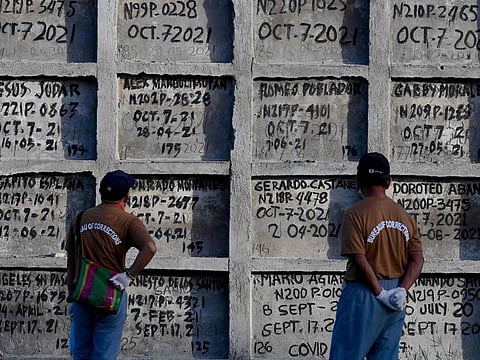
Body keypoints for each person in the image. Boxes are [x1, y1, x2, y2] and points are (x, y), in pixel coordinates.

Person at [329, 152, 424, 360]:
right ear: (388, 182)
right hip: (396, 298)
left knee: (346, 354)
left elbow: (359, 258)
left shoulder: (355, 214)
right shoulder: (405, 217)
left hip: (364, 293)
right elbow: (417, 259)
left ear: (359, 181)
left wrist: (379, 293)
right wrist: (400, 290)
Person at [66, 170, 157, 360]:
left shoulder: (81, 218)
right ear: (127, 197)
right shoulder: (128, 221)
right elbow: (149, 248)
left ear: (100, 192)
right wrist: (129, 276)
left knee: (81, 352)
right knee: (105, 354)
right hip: (110, 294)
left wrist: (71, 295)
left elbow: (72, 259)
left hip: (82, 294)